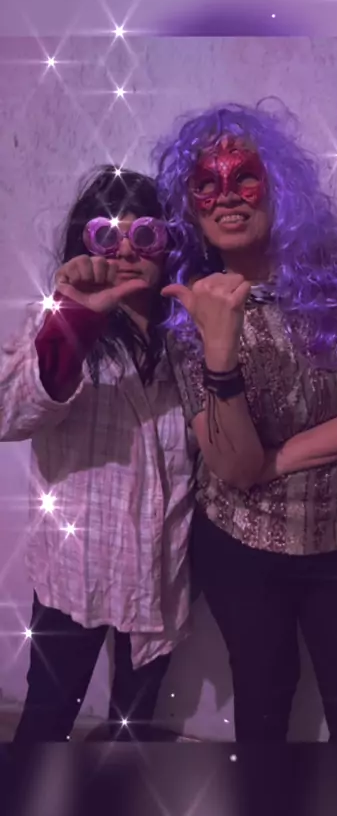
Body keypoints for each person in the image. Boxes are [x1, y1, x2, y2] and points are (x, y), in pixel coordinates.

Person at [155, 103, 337, 743]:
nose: (226, 197)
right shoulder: (190, 310)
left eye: (244, 176)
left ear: (277, 183)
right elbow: (236, 467)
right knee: (264, 707)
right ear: (189, 207)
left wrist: (284, 457)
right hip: (241, 548)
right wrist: (220, 354)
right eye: (206, 184)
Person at [0, 166, 196, 743]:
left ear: (168, 244)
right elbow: (9, 412)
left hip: (159, 573)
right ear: (85, 244)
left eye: (146, 234)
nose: (127, 251)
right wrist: (76, 322)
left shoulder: (187, 340)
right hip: (74, 571)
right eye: (108, 235)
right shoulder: (58, 322)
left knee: (132, 729)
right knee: (48, 718)